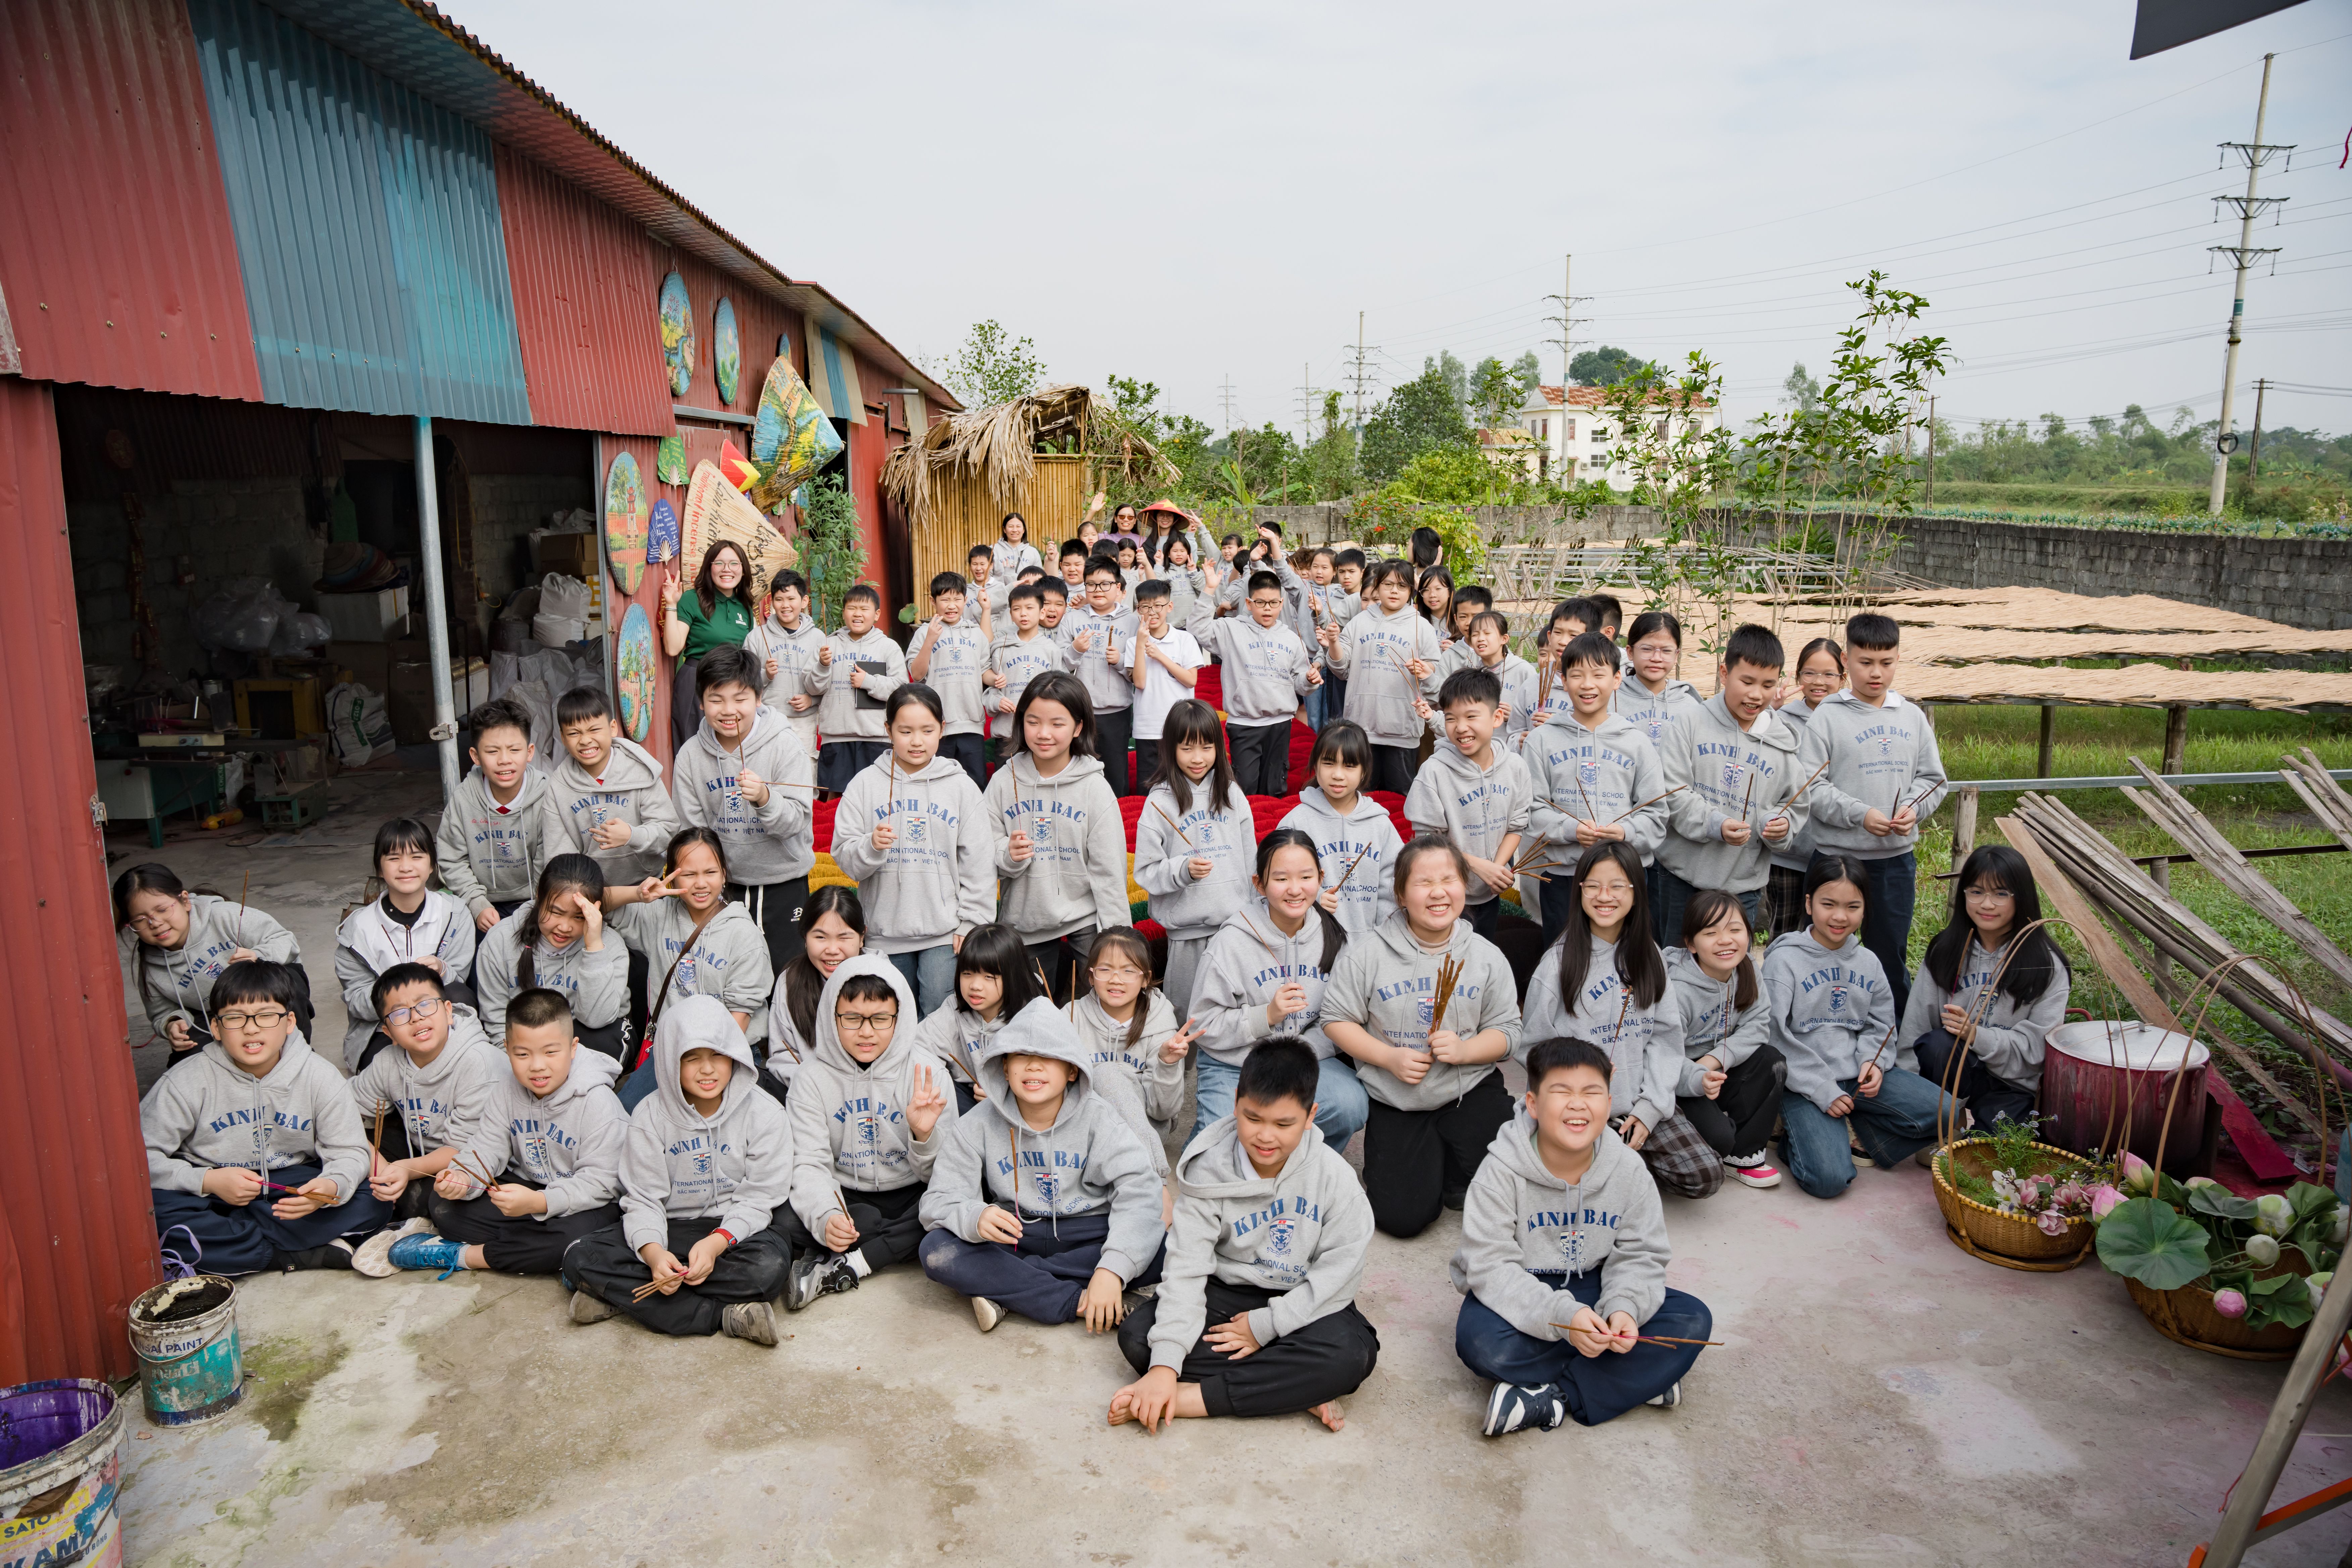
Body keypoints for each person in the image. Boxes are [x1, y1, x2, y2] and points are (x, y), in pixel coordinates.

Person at [1110, 1036, 1381, 1435]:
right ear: (1236, 1102)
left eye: (1284, 1124)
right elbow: (1186, 1267)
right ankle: (1294, 1386)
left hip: (1300, 1297)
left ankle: (1191, 1400)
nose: (1266, 1137)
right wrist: (1165, 1366)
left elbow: (1339, 1275)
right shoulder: (1207, 1168)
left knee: (1351, 1355)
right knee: (1141, 1340)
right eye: (1253, 1118)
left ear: (1311, 1116)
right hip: (1226, 1293)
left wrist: (1265, 1326)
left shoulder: (1336, 1179)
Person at [1453, 1038, 1711, 1436]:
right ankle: (1637, 1378)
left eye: (1591, 1092)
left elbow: (1642, 1253)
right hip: (1525, 1287)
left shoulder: (1629, 1169)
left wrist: (1625, 1309)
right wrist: (1565, 1319)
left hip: (1598, 1283)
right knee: (1482, 1343)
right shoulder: (1499, 1171)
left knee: (1693, 1320)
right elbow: (1490, 1267)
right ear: (1533, 1103)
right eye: (1562, 1092)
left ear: (1609, 1102)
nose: (1578, 1105)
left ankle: (1554, 1397)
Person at [916, 999, 1168, 1333]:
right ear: (1005, 1067)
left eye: (1049, 1057)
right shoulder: (976, 1123)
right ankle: (1078, 1301)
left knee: (1169, 1249)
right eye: (1021, 1056)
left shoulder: (1101, 1119)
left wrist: (1112, 1270)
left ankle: (1011, 1290)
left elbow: (1140, 1192)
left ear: (1072, 1070)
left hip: (1089, 1232)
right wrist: (976, 1216)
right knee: (936, 1250)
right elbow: (938, 1200)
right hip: (1015, 1233)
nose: (1034, 1066)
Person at [1322, 836, 1522, 1238]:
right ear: (1400, 894)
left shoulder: (1485, 955)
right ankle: (1434, 1162)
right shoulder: (1368, 953)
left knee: (1515, 1190)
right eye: (1424, 882)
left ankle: (1454, 1167)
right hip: (1398, 1097)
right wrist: (1388, 1058)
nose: (1438, 892)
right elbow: (1336, 1020)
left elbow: (1508, 1031)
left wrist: (1466, 1050)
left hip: (1469, 1089)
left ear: (1464, 885)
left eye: (1449, 879)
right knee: (1401, 1218)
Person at [561, 995, 792, 1344]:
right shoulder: (648, 1116)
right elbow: (643, 1200)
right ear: (670, 1060)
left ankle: (622, 1298)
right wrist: (654, 1254)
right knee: (579, 1257)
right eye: (691, 1058)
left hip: (731, 1231)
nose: (707, 1069)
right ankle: (726, 1316)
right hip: (668, 1227)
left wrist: (716, 1243)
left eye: (718, 1055)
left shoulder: (766, 1113)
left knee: (769, 1268)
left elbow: (760, 1198)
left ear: (734, 1054)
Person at [142, 960, 391, 1275]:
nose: (251, 1028)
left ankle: (236, 1243)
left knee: (375, 1198)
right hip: (212, 1189)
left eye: (266, 1015)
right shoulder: (184, 1082)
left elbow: (349, 1150)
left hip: (289, 1182)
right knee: (151, 1211)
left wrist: (328, 1188)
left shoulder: (320, 1076)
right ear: (216, 1028)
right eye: (235, 1018)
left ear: (290, 1022)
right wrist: (207, 1181)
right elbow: (140, 1158)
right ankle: (294, 1254)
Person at [1521, 843, 1719, 1200]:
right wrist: (1576, 1079)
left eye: (1617, 886)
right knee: (1579, 1188)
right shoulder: (1557, 964)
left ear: (1636, 892)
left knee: (1704, 1175)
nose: (1605, 896)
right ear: (1579, 890)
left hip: (1638, 1100)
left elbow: (1666, 1041)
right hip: (1579, 1107)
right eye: (1593, 886)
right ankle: (1614, 1167)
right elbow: (1532, 1048)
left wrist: (1650, 1110)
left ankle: (1625, 1164)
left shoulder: (1650, 955)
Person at [385, 986, 623, 1279]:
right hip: (528, 1190)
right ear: (507, 1048)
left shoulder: (598, 1102)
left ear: (573, 1048)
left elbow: (603, 1184)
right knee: (443, 1206)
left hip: (586, 1203)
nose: (538, 1067)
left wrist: (541, 1203)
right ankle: (549, 1257)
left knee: (578, 1236)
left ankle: (465, 1256)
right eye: (522, 1054)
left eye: (551, 1052)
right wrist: (464, 1177)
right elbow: (487, 1146)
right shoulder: (507, 1089)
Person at [1764, 853, 1948, 1198]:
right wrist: (1822, 1090)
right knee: (1829, 1180)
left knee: (1948, 1114)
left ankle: (1860, 1132)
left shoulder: (1868, 962)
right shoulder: (1784, 961)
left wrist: (1874, 1063)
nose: (1840, 916)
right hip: (1805, 1083)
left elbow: (1881, 1024)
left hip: (1857, 1078)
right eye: (1829, 904)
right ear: (1809, 904)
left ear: (1865, 910)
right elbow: (1774, 1038)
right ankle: (1795, 1140)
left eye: (1853, 906)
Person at [1795, 612, 1948, 1020]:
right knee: (1825, 951)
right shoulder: (1827, 716)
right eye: (1865, 662)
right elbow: (1811, 787)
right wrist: (1860, 815)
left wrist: (1914, 808)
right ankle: (1820, 1027)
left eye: (1886, 662)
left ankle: (1892, 1037)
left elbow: (1933, 780)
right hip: (1837, 860)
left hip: (1894, 862)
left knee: (1889, 954)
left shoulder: (1911, 716)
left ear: (1898, 659)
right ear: (1846, 661)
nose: (1876, 673)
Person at [780, 958, 954, 1311]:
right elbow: (809, 1163)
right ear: (832, 1017)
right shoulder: (810, 1078)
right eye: (852, 1018)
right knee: (783, 1217)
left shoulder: (928, 1072)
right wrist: (827, 1215)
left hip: (912, 1193)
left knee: (952, 1204)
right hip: (845, 1195)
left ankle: (854, 1263)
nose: (866, 1032)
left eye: (880, 1019)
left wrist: (924, 1136)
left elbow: (947, 1174)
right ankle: (878, 1243)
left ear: (900, 1018)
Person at [1188, 829, 1368, 1150]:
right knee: (1224, 1144)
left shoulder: (1334, 938)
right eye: (1281, 879)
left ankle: (1300, 1164)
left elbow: (1343, 1016)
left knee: (1349, 1105)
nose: (1295, 889)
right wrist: (1267, 1016)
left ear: (1321, 878)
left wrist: (1299, 1051)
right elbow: (1202, 1025)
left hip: (1303, 1057)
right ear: (1259, 884)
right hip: (1235, 1062)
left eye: (1306, 877)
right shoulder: (1230, 942)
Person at [829, 685, 994, 1016]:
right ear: (888, 729)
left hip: (945, 934)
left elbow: (979, 861)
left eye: (927, 731)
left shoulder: (961, 787)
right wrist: (870, 846)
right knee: (894, 1017)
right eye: (905, 731)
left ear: (942, 729)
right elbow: (845, 856)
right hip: (884, 934)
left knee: (939, 1015)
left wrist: (972, 923)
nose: (917, 741)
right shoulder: (865, 784)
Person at [1655, 623, 1808, 943]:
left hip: (1743, 887)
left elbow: (1793, 805)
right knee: (1673, 963)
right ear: (1724, 673)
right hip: (1680, 880)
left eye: (1768, 685)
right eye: (1747, 682)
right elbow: (1673, 790)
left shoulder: (1782, 744)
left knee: (1730, 966)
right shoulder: (1691, 723)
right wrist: (1715, 824)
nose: (1756, 695)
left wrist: (1780, 824)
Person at [669, 645, 815, 977]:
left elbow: (796, 821)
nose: (728, 710)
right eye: (716, 699)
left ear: (759, 698)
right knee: (727, 974)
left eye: (740, 699)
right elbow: (692, 832)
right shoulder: (690, 756)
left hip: (784, 881)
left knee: (787, 975)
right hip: (726, 886)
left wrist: (765, 798)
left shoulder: (785, 746)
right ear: (701, 701)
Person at [1902, 845, 2070, 1135]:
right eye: (1977, 892)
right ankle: (1947, 1121)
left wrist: (1976, 1035)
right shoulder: (1945, 951)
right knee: (1938, 1045)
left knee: (1993, 1152)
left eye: (2001, 894)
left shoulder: (2046, 964)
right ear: (1963, 894)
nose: (1987, 905)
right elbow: (1916, 1029)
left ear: (2022, 897)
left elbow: (2037, 1050)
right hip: (1955, 1069)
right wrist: (1907, 1095)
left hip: (2012, 1082)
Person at [985, 672, 1130, 1002]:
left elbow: (1109, 870)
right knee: (1031, 1011)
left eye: (1057, 723)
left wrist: (1118, 939)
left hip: (1084, 917)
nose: (1044, 733)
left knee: (1099, 1007)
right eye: (1033, 722)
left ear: (1078, 727)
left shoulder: (1094, 788)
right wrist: (1008, 854)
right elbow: (983, 849)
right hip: (1026, 918)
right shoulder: (1004, 782)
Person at [605, 828, 775, 1108]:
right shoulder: (659, 917)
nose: (701, 884)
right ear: (671, 876)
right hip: (671, 1052)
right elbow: (595, 900)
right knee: (626, 1114)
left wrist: (701, 1067)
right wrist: (639, 894)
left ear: (724, 874)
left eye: (710, 872)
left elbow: (738, 1020)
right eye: (689, 874)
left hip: (727, 1053)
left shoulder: (743, 935)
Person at [1523, 631, 1667, 944]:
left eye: (1599, 675)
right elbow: (1531, 810)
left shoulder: (1637, 743)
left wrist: (1625, 833)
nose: (1588, 685)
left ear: (1617, 680)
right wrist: (1570, 830)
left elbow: (1656, 815)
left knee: (1626, 958)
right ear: (1563, 680)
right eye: (1577, 675)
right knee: (1563, 957)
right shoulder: (1541, 740)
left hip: (1623, 877)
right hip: (1563, 877)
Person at [346, 964, 500, 1256]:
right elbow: (339, 1112)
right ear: (388, 1032)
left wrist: (404, 1169)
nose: (416, 1018)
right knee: (347, 1154)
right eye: (400, 1014)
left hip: (473, 1162)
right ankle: (402, 1217)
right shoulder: (388, 1061)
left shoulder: (479, 1063)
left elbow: (468, 1148)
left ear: (448, 1011)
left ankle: (411, 1223)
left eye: (425, 1005)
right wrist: (378, 1164)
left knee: (441, 1203)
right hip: (419, 1149)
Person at [116, 862, 309, 1068]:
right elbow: (161, 1011)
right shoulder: (151, 966)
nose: (155, 923)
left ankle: (296, 1061)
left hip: (267, 992)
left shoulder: (223, 916)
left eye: (162, 910)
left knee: (288, 985)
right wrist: (172, 1023)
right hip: (214, 1012)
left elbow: (284, 940)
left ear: (185, 901)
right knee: (187, 1063)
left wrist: (258, 956)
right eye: (140, 920)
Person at [1133, 699, 1256, 1012]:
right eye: (1187, 748)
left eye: (1207, 747)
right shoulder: (1160, 802)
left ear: (1219, 747)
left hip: (1234, 931)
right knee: (1187, 1016)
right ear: (1171, 749)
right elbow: (1146, 871)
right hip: (1185, 938)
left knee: (1235, 1012)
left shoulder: (1232, 794)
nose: (1198, 758)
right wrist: (1183, 871)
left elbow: (1252, 863)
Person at [1664, 893, 1787, 1189]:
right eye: (1711, 933)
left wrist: (1714, 1060)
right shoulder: (1677, 989)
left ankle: (1744, 1156)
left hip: (1717, 1066)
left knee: (1771, 1061)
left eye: (1735, 929)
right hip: (1679, 1077)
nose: (1725, 941)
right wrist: (1697, 1075)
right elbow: (1663, 1056)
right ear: (1691, 944)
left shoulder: (1747, 967)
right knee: (1718, 1140)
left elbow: (1758, 1025)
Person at [338, 818, 479, 1072]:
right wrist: (395, 998)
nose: (405, 867)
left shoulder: (454, 914)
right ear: (380, 868)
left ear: (432, 865)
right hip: (385, 1024)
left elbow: (459, 980)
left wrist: (442, 969)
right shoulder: (358, 928)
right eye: (394, 858)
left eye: (417, 857)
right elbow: (357, 999)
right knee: (382, 1073)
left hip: (438, 1019)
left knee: (459, 994)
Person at [1405, 668, 1533, 941]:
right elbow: (1427, 840)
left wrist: (1497, 869)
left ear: (1496, 717)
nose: (1461, 727)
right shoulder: (1434, 772)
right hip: (1444, 891)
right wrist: (1479, 866)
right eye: (1451, 718)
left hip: (1490, 891)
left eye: (1471, 717)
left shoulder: (1515, 768)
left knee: (1482, 950)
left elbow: (1516, 826)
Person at [474, 854, 633, 1056]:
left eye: (579, 917)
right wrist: (515, 1062)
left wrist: (594, 948)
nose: (565, 927)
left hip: (583, 1039)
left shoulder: (610, 946)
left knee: (604, 1041)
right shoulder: (500, 940)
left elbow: (596, 1020)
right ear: (539, 897)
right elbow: (497, 1020)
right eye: (556, 913)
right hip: (524, 1045)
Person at [1067, 926, 1197, 1143]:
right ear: (1091, 976)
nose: (1116, 979)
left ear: (1145, 979)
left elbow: (1163, 1112)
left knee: (1107, 1074)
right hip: (1087, 1125)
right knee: (1105, 1076)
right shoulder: (1071, 1017)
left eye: (1128, 971)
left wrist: (1167, 1065)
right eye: (1105, 969)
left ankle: (1141, 1161)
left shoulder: (1161, 1024)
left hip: (1146, 1127)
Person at [543, 686, 681, 887]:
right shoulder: (558, 786)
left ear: (613, 728)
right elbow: (559, 855)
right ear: (563, 738)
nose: (585, 740)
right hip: (589, 890)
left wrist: (632, 836)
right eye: (574, 733)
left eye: (594, 730)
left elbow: (668, 832)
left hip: (648, 883)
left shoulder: (641, 772)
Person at [1325, 559, 1441, 796]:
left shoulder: (1421, 626)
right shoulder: (1360, 622)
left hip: (1402, 730)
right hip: (1361, 728)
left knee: (1400, 796)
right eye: (1388, 584)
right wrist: (1334, 643)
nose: (1394, 591)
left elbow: (1434, 670)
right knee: (1360, 794)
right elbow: (1341, 669)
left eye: (1402, 586)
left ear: (1411, 590)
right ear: (1377, 586)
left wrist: (1425, 669)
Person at [1203, 569, 1321, 797]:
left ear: (1281, 603)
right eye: (1260, 603)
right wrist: (1209, 590)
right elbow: (1198, 628)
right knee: (1244, 787)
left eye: (1273, 603)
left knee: (1275, 787)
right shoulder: (1231, 629)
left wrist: (1309, 680)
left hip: (1280, 724)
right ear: (1249, 603)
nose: (1268, 609)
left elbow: (1300, 683)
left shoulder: (1291, 639)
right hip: (1244, 723)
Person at [910, 922, 1049, 1114]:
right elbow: (919, 1049)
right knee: (938, 1089)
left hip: (1022, 1097)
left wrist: (1006, 1092)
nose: (975, 986)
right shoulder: (953, 1010)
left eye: (989, 977)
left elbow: (1050, 1072)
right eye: (967, 974)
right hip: (969, 1096)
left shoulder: (1033, 1013)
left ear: (1012, 976)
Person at [438, 697, 550, 934]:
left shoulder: (547, 797)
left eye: (514, 750)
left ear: (530, 752)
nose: (504, 760)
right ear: (476, 756)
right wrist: (476, 904)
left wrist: (539, 906)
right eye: (492, 751)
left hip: (539, 900)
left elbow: (551, 860)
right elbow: (452, 859)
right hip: (482, 902)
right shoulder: (464, 799)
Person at [1281, 720, 1401, 938]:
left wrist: (1382, 937)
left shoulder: (1380, 825)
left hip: (1371, 944)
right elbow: (1279, 880)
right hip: (1312, 941)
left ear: (1364, 771)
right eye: (1329, 763)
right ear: (1315, 765)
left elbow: (1392, 887)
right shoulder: (1297, 822)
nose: (1338, 775)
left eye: (1349, 766)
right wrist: (1315, 899)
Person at [1765, 638, 1844, 938]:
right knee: (1783, 933)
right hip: (1789, 851)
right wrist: (1769, 711)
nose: (1818, 682)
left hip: (1836, 852)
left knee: (1830, 933)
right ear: (1798, 677)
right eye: (1809, 673)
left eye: (1829, 674)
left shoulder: (1850, 720)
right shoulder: (1781, 719)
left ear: (1843, 678)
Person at [762, 885, 867, 1101]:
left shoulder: (882, 980)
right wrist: (815, 1088)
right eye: (821, 937)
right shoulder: (790, 982)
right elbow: (782, 1055)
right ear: (805, 936)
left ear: (862, 937)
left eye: (844, 938)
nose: (832, 950)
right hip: (809, 1098)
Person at [662, 540, 757, 752]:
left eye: (734, 564)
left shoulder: (745, 607)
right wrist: (671, 603)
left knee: (732, 748)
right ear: (709, 567)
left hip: (734, 684)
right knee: (694, 746)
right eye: (719, 563)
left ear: (743, 570)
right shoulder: (693, 599)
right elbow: (673, 648)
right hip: (698, 680)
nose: (727, 569)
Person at [814, 584, 907, 796]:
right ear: (843, 613)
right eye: (852, 608)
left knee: (876, 797)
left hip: (875, 738)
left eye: (864, 609)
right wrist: (822, 665)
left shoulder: (888, 647)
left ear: (877, 615)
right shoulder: (827, 645)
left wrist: (869, 682)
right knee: (834, 801)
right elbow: (813, 688)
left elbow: (901, 690)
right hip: (836, 737)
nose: (857, 614)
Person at [1060, 557, 1140, 796]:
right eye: (1091, 585)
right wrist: (1075, 650)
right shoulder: (1073, 618)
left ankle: (1118, 813)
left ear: (1118, 587)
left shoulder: (1132, 621)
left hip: (1117, 711)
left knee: (1116, 773)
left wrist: (1121, 661)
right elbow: (1059, 668)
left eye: (1105, 584)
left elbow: (1140, 671)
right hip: (1081, 711)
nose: (1098, 590)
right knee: (1080, 772)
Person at [910, 571, 991, 788]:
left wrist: (999, 679)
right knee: (939, 784)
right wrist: (930, 641)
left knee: (976, 783)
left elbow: (985, 671)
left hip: (971, 723)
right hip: (938, 725)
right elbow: (917, 675)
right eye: (945, 600)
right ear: (933, 601)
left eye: (957, 599)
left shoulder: (976, 633)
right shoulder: (924, 633)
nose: (952, 605)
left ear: (966, 600)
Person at [1126, 580, 1203, 788]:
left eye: (1158, 606)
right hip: (1147, 727)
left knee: (1183, 784)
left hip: (1180, 724)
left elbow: (1191, 680)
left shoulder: (1185, 639)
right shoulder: (1133, 643)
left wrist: (1160, 656)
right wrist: (1141, 644)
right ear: (1138, 610)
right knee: (1149, 786)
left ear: (1169, 607)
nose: (1152, 612)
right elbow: (1140, 683)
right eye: (1145, 607)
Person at [748, 569, 827, 761]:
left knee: (805, 767)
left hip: (804, 721)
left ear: (804, 601)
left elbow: (827, 682)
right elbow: (745, 682)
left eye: (791, 599)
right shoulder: (757, 636)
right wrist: (766, 675)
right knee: (767, 768)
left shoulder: (818, 638)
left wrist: (811, 700)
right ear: (772, 603)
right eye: (779, 600)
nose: (785, 606)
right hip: (766, 718)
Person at [991, 512, 1042, 586]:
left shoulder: (1033, 552)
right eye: (1011, 527)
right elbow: (988, 578)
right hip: (999, 593)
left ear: (1024, 530)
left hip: (1027, 593)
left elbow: (1040, 579)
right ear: (1004, 529)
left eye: (1018, 527)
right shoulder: (994, 550)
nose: (1015, 530)